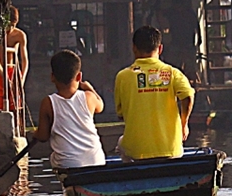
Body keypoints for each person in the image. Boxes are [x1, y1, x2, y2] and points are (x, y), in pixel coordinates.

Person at [114, 26, 195, 160]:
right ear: (160, 48)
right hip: (170, 150)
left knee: (121, 143)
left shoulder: (122, 76)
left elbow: (121, 114)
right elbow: (187, 95)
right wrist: (184, 124)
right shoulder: (172, 73)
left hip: (136, 152)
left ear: (134, 48)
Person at [34, 50, 106, 168]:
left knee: (53, 157)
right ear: (79, 76)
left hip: (68, 165)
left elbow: (42, 136)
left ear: (52, 77)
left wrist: (35, 134)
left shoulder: (48, 103)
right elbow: (100, 106)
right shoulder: (89, 97)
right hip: (96, 160)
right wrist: (90, 89)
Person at [0, 7, 29, 124]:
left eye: (14, 25)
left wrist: (22, 78)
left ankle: (16, 131)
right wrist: (5, 77)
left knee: (15, 105)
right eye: (9, 25)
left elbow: (25, 59)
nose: (11, 29)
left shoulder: (20, 35)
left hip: (13, 71)